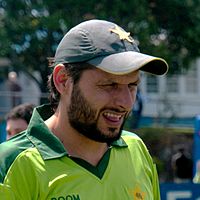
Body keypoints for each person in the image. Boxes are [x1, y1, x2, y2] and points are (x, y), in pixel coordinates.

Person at [0, 19, 168, 199]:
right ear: (63, 80)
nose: (126, 102)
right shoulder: (13, 162)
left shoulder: (136, 149)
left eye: (132, 85)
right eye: (109, 85)